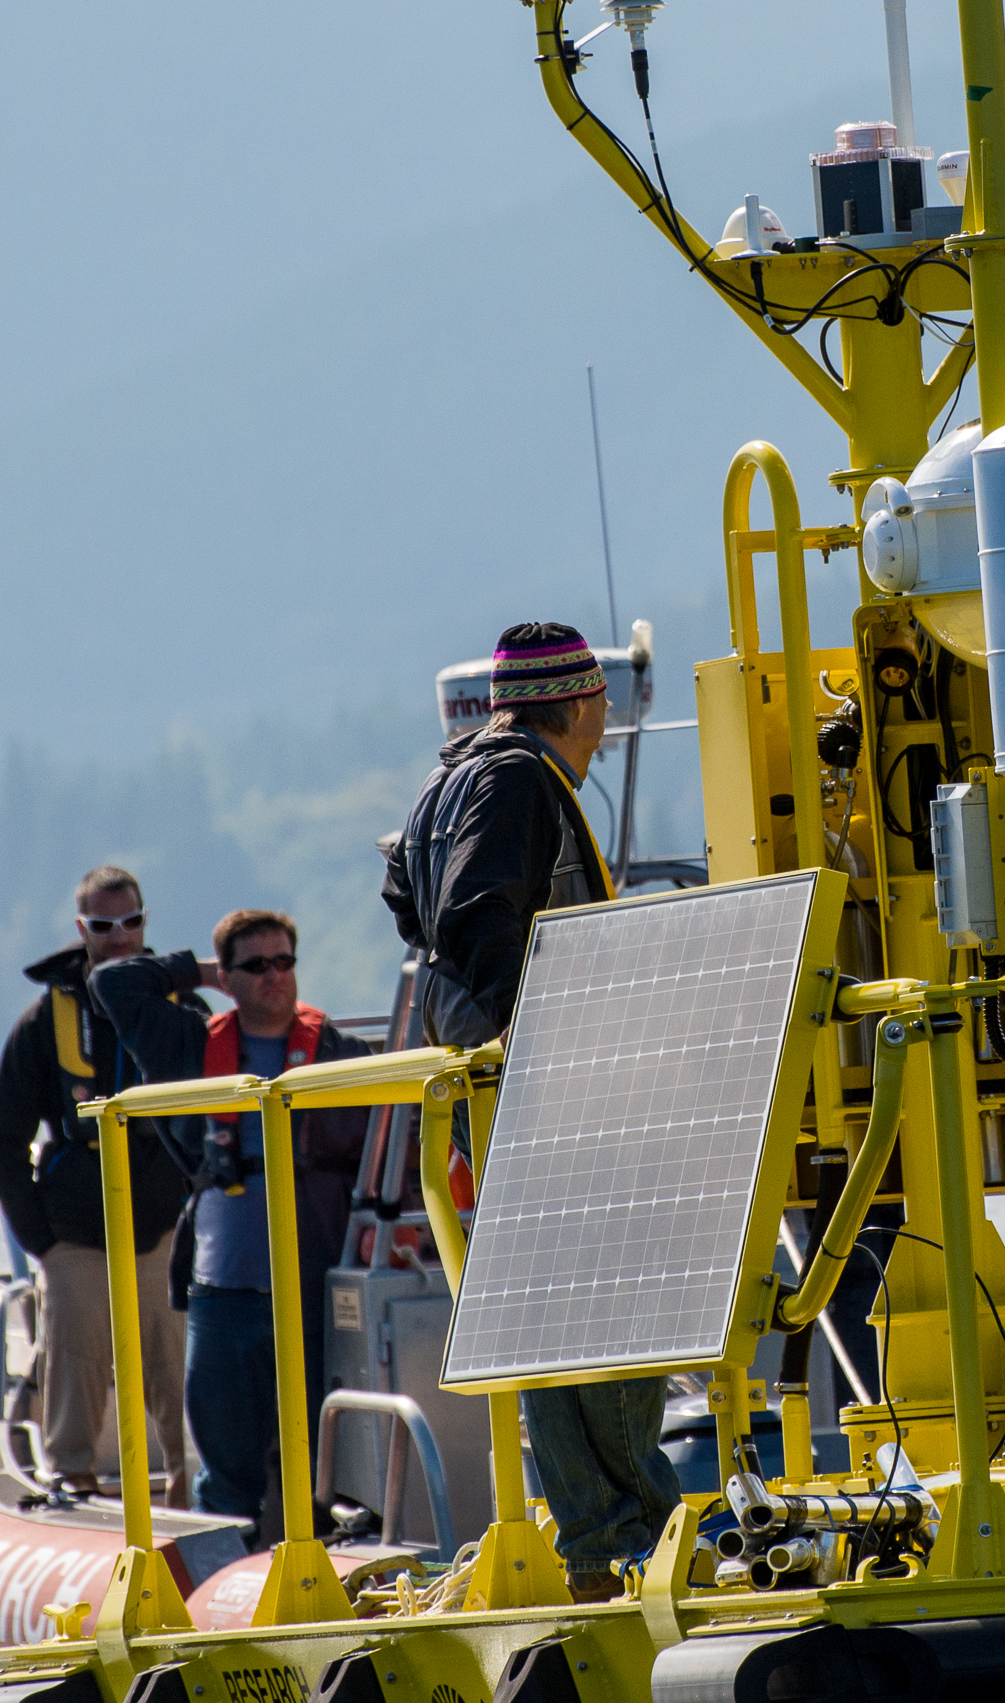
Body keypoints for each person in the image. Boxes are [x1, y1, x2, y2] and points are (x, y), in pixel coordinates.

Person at [387, 620, 675, 1598]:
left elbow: (407, 893)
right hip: (550, 1089)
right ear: (585, 705)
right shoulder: (516, 779)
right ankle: (636, 1531)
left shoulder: (452, 774)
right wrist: (539, 1033)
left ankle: (601, 1546)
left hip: (506, 1092)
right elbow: (472, 917)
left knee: (558, 1325)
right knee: (615, 1311)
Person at [0, 865, 217, 1499]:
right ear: (82, 929)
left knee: (180, 1368)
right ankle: (72, 1478)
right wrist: (43, 1242)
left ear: (146, 923)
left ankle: (189, 1486)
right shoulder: (42, 1022)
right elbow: (1, 1143)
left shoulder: (184, 1009)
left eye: (132, 922)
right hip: (77, 1235)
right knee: (75, 1357)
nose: (120, 937)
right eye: (104, 925)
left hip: (167, 1228)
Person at [174, 905, 378, 1542]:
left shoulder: (339, 1052)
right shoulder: (192, 1048)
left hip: (310, 1298)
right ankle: (217, 1595)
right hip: (222, 1295)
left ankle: (317, 1576)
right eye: (255, 965)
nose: (274, 976)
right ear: (226, 977)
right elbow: (115, 988)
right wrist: (198, 969)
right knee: (225, 1475)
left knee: (318, 1470)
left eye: (284, 962)